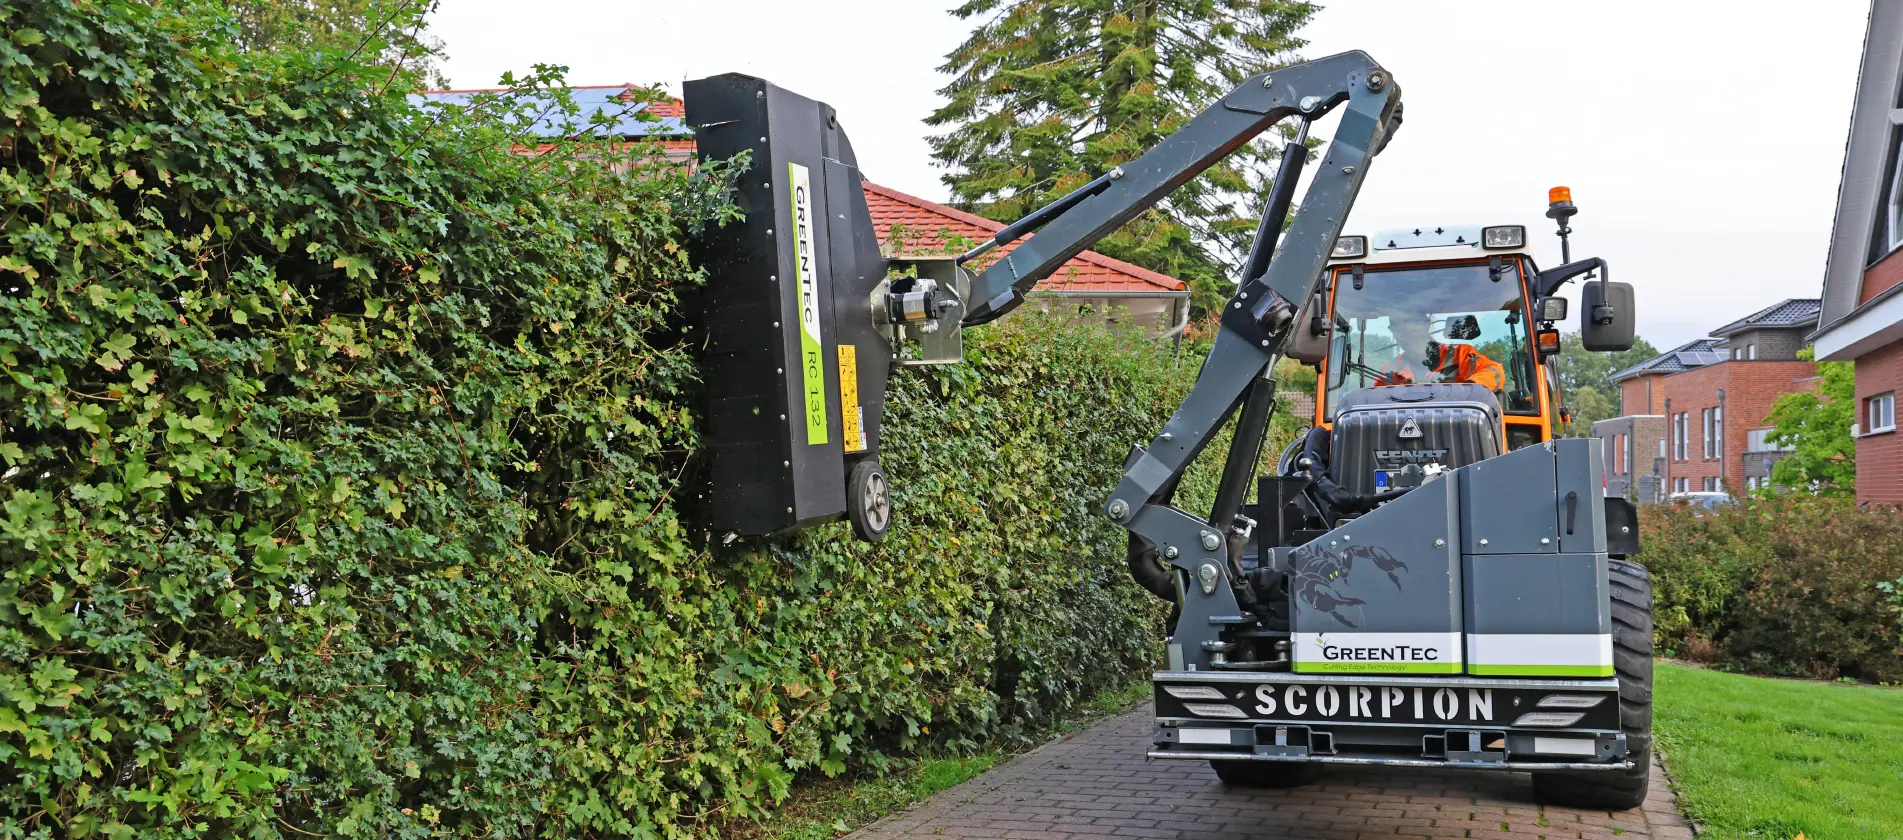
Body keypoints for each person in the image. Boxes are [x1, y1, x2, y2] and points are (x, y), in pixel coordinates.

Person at [1374, 315, 1506, 392]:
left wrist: (1468, 389)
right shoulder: (1390, 368)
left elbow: (1495, 371)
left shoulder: (1459, 354)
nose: (1402, 332)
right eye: (1395, 327)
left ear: (1425, 325)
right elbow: (1376, 398)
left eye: (1407, 324)